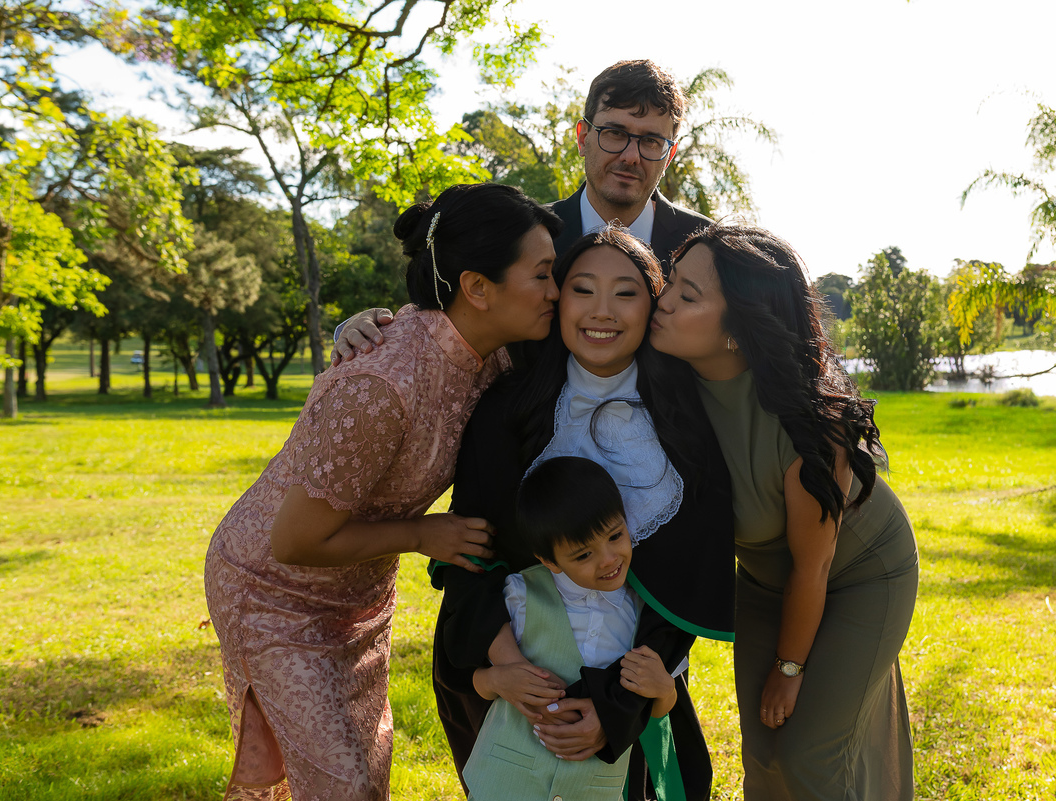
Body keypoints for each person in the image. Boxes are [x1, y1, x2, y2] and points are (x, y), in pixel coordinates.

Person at [202, 183, 562, 801]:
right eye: (544, 275)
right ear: (477, 287)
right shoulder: (379, 383)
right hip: (273, 591)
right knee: (340, 785)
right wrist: (424, 535)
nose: (556, 292)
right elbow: (294, 539)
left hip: (361, 591)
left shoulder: (493, 356)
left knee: (365, 772)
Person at [436, 226, 735, 801]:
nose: (603, 312)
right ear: (557, 298)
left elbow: (684, 582)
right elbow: (470, 547)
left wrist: (616, 708)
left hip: (635, 683)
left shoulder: (690, 419)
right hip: (523, 685)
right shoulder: (507, 412)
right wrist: (513, 671)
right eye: (582, 289)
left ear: (654, 304)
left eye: (626, 293)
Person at [650, 223, 919, 800]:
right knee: (764, 757)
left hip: (861, 577)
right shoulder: (664, 386)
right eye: (670, 280)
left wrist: (790, 670)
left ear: (737, 333)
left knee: (808, 759)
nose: (663, 298)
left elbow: (814, 568)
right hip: (770, 585)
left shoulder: (812, 428)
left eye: (687, 295)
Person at [331, 59, 710, 367]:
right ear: (582, 137)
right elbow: (455, 307)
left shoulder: (706, 248)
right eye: (614, 133)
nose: (630, 155)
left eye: (651, 141)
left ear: (669, 155)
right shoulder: (525, 235)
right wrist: (368, 324)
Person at [464, 456, 679, 801]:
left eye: (615, 535)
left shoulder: (647, 614)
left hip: (592, 790)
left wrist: (665, 689)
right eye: (583, 555)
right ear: (549, 560)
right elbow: (478, 682)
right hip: (505, 785)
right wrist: (496, 680)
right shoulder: (521, 595)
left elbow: (657, 708)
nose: (608, 559)